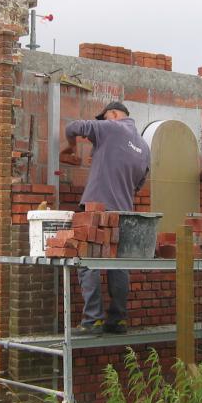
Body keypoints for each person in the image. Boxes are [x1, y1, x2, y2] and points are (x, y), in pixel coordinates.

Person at [61, 101, 150, 336]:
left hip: (97, 209)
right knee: (117, 265)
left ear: (112, 114)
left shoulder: (112, 127)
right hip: (124, 213)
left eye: (104, 119)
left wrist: (70, 148)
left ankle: (93, 320)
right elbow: (139, 184)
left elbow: (73, 127)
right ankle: (118, 320)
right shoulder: (143, 146)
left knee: (86, 260)